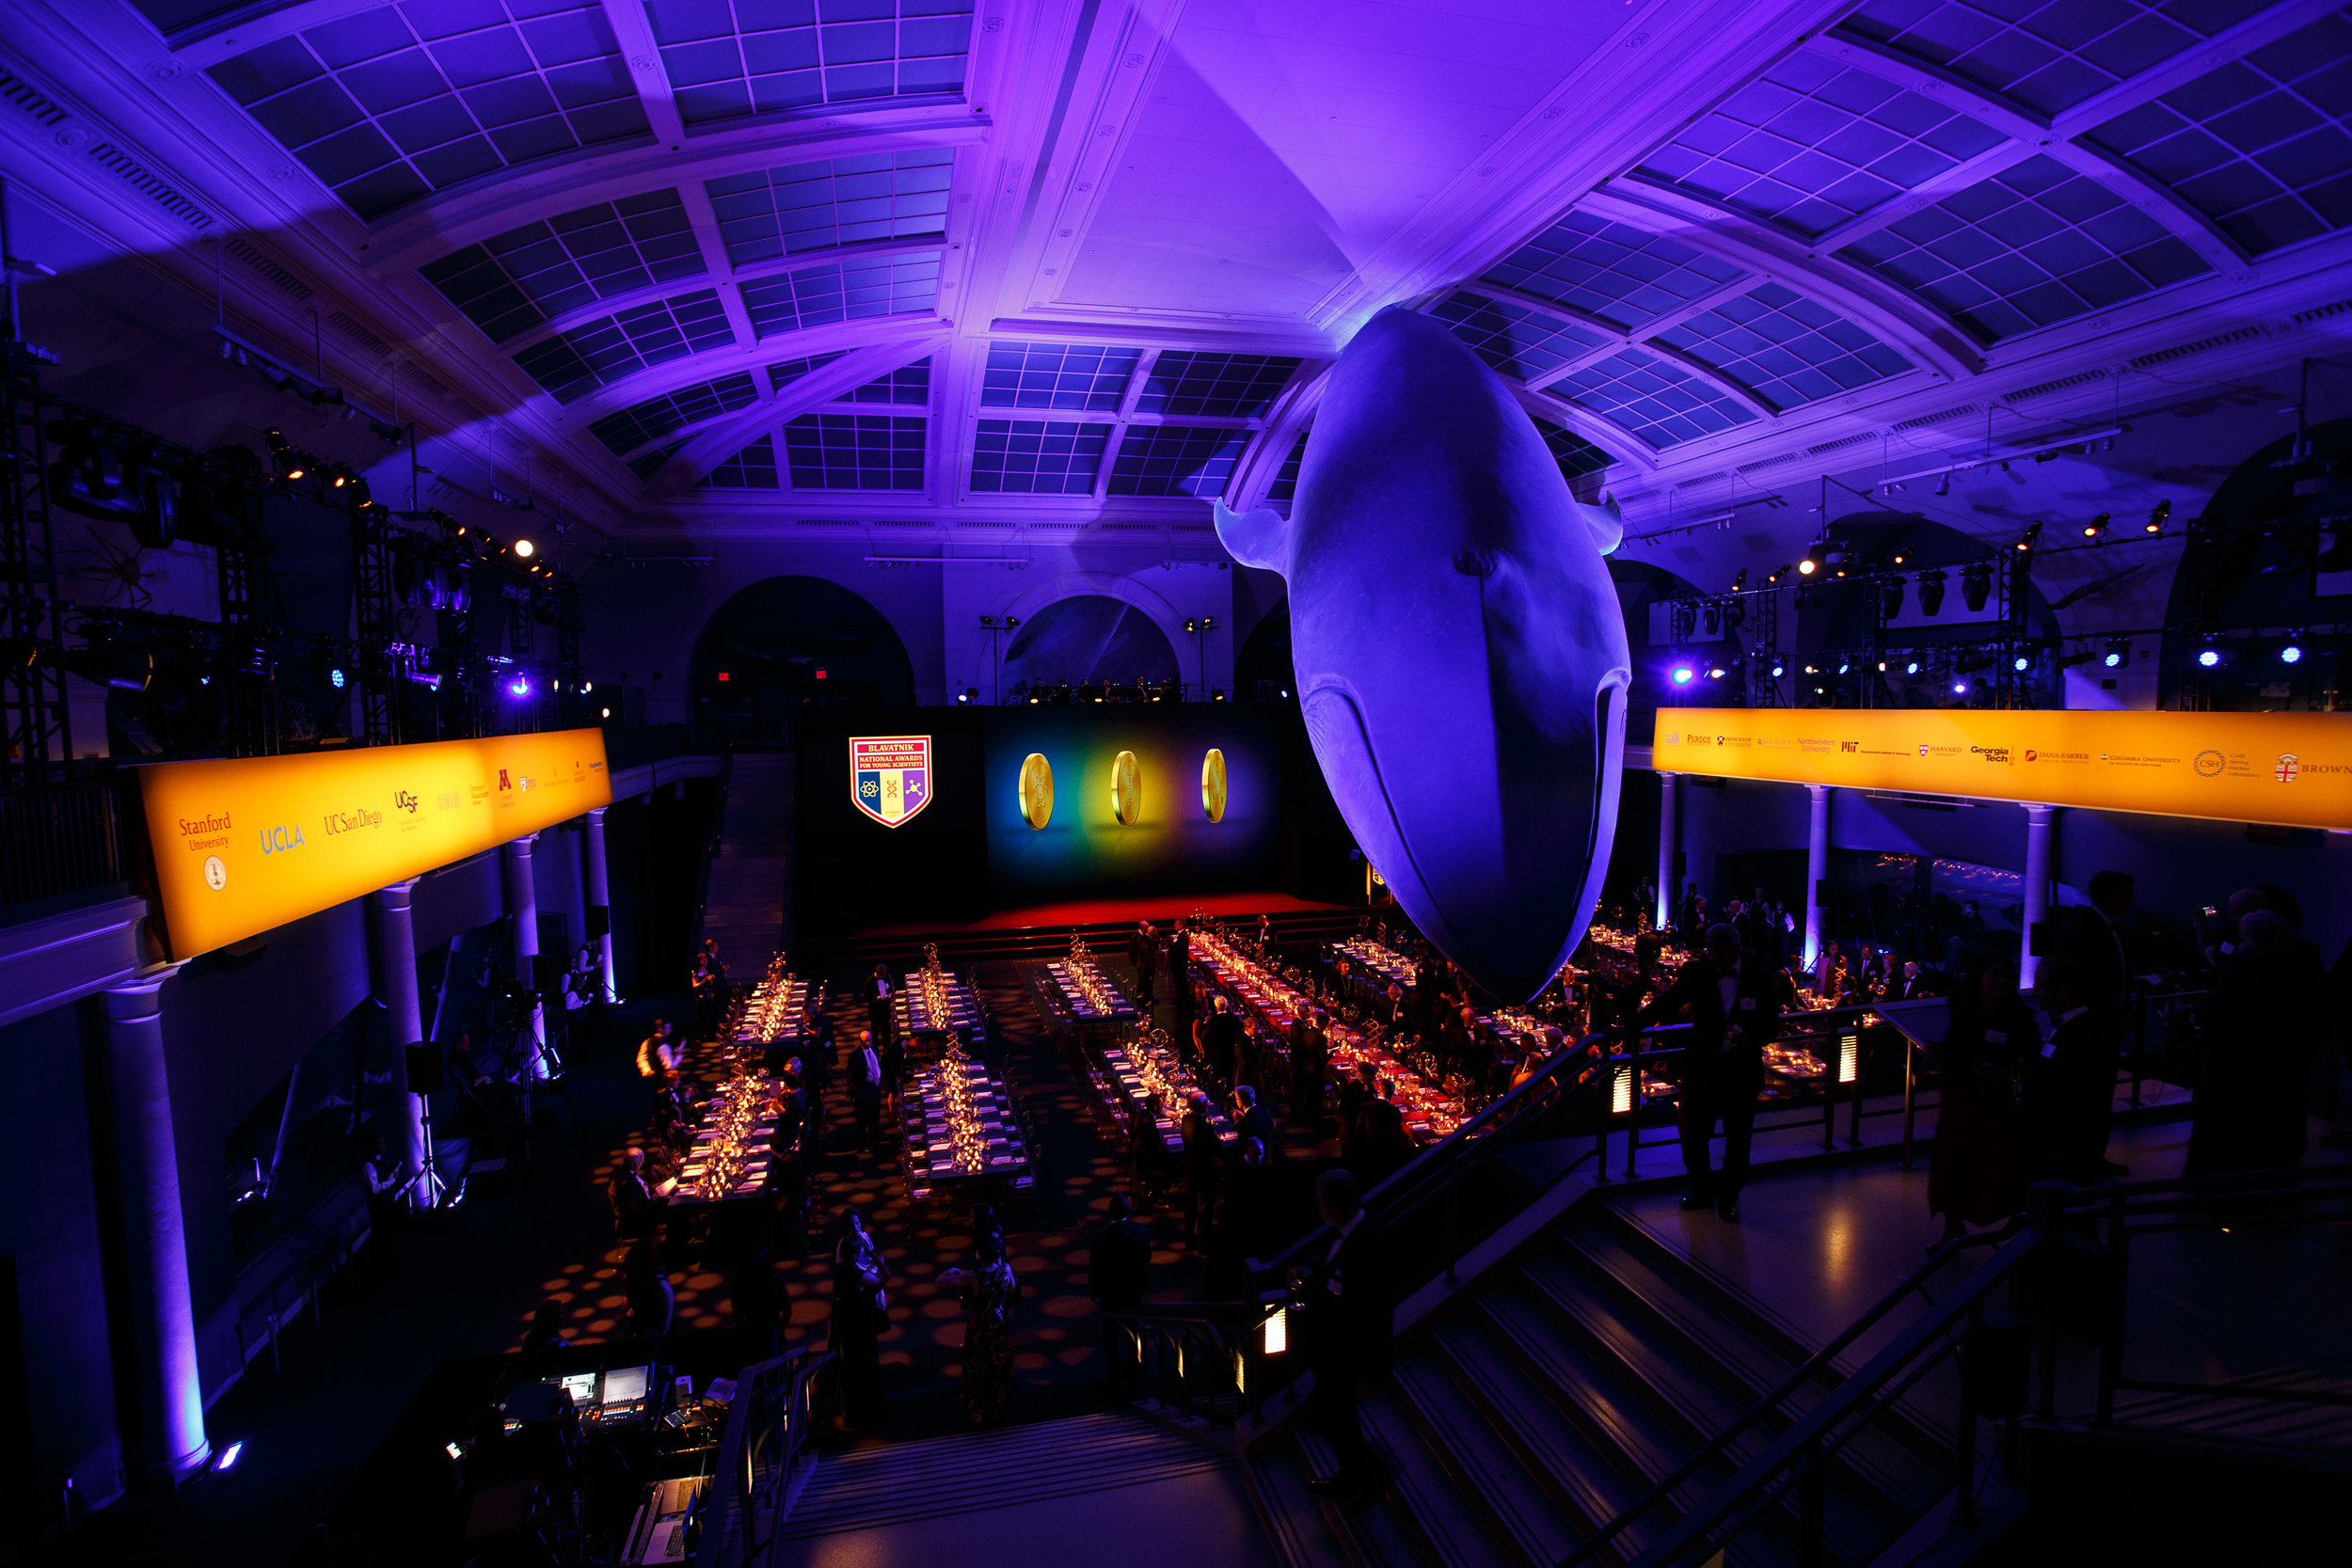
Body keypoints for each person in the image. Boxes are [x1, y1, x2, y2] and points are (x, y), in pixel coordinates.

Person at [1640, 924, 1791, 1223]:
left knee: (1738, 1142)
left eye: (1717, 950)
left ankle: (1729, 1199)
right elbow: (1667, 1002)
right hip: (1701, 1070)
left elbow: (1772, 1025)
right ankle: (1701, 1192)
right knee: (1693, 1136)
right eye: (1708, 949)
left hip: (1740, 1074)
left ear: (1735, 948)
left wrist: (1750, 1036)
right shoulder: (1696, 971)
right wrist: (1631, 1026)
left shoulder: (1759, 976)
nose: (1711, 956)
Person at [2187, 910, 2321, 1178]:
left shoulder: (2240, 965)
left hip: (2235, 1061)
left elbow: (2219, 1010)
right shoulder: (2296, 965)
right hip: (2282, 1060)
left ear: (2249, 936)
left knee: (2232, 1121)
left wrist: (2200, 1011)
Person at [1926, 956, 2039, 1245]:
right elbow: (1954, 1047)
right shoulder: (1962, 1008)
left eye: (2007, 976)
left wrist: (2004, 1075)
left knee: (1995, 1164)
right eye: (1995, 973)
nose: (2001, 981)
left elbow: (2032, 1062)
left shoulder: (2020, 1017)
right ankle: (1952, 1227)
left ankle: (2015, 1223)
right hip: (1961, 1098)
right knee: (1953, 1163)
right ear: (1979, 976)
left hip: (1997, 1104)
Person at [1297, 1169, 1392, 1506]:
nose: (1317, 1205)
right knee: (1337, 1418)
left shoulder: (1367, 1246)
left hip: (1347, 1359)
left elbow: (1377, 1315)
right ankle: (1356, 1474)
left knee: (1325, 1416)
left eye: (1320, 1200)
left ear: (1334, 1205)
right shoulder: (1348, 1233)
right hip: (1336, 1356)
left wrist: (1368, 1373)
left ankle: (1364, 1472)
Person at [2023, 958, 2109, 1187]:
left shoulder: (2079, 1035)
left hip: (2062, 1144)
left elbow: (2073, 1096)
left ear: (2061, 992)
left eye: (2039, 986)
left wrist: (2055, 1145)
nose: (2035, 992)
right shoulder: (2078, 1027)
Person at [944, 1231, 1022, 1426]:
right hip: (999, 1325)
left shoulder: (975, 1277)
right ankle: (997, 1406)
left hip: (979, 1328)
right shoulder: (1006, 1269)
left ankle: (978, 1409)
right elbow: (1012, 1290)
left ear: (978, 1254)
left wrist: (954, 1272)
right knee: (997, 1365)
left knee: (978, 1367)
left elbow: (940, 1281)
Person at [830, 1209, 893, 1433]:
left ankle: (852, 1412)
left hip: (848, 1325)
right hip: (861, 1326)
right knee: (866, 1368)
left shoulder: (841, 1273)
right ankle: (870, 1413)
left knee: (852, 1368)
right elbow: (884, 1277)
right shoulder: (856, 1275)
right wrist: (876, 1259)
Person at [1088, 1193, 1151, 1397]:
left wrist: (1094, 1293)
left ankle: (1114, 1378)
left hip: (1110, 1293)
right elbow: (1147, 1258)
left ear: (1109, 1212)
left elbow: (1094, 1269)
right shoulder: (1139, 1231)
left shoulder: (1100, 1239)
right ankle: (1135, 1366)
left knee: (1111, 1335)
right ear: (1127, 1210)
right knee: (1134, 1328)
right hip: (1133, 1289)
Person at [1180, 1092, 1222, 1249]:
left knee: (1190, 1204)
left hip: (1190, 1168)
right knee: (1205, 1205)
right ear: (1203, 1105)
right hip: (1204, 1170)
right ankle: (1204, 1240)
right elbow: (1216, 1147)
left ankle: (1189, 1237)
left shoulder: (1186, 1120)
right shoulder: (1204, 1126)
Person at [609, 1148, 672, 1242]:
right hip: (638, 1219)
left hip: (643, 1208)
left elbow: (638, 1192)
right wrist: (655, 1199)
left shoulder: (626, 1172)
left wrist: (652, 1188)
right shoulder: (626, 1183)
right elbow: (637, 1209)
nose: (643, 1163)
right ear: (633, 1164)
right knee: (673, 1210)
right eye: (641, 1161)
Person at [626, 1241, 675, 1338]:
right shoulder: (640, 1283)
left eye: (631, 1265)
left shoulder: (660, 1284)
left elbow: (667, 1315)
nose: (629, 1270)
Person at [1289, 1010, 1327, 1128]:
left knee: (1308, 1093)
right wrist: (1332, 1053)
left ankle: (1305, 1117)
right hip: (1316, 1071)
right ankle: (1314, 1121)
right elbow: (1322, 1058)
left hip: (1305, 1067)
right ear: (1323, 1024)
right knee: (1316, 1096)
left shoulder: (1306, 1032)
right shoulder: (1321, 1038)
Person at [850, 1031, 884, 1153]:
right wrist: (858, 1090)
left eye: (869, 1040)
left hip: (875, 1086)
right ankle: (862, 1143)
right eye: (865, 1041)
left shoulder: (874, 1048)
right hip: (864, 1088)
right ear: (860, 1041)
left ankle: (874, 1138)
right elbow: (851, 1076)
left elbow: (877, 1063)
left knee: (875, 1114)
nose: (868, 1043)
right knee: (862, 1117)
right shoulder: (855, 1056)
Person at [1200, 995, 1242, 1092]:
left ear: (1216, 1007)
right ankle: (1229, 1094)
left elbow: (1204, 1036)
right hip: (1230, 1051)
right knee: (1229, 1073)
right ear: (1226, 1006)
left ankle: (1218, 1094)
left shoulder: (1213, 1021)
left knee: (1217, 1074)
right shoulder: (1234, 1019)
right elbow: (1238, 1034)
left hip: (1216, 1052)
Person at [1232, 1084, 1279, 1155]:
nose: (1236, 1101)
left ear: (1243, 1100)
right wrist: (1244, 1116)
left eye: (1237, 1099)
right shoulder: (1265, 1111)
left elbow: (1241, 1145)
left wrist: (1238, 1121)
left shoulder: (1245, 1123)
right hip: (1268, 1153)